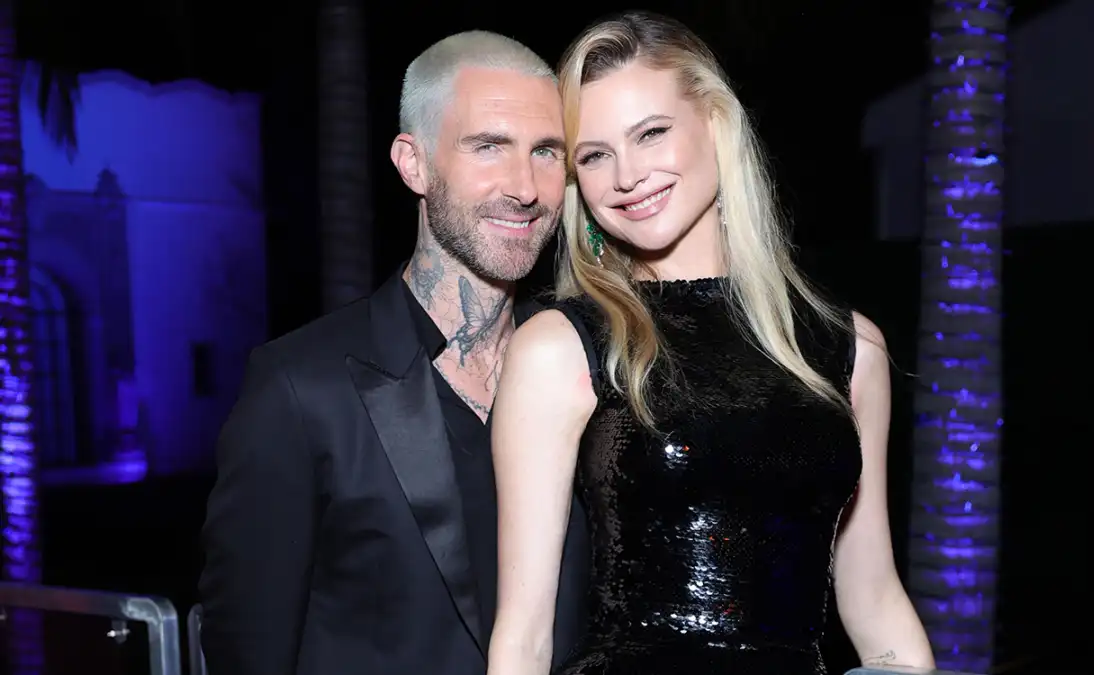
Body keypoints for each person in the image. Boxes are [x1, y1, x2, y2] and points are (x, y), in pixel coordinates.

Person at [486, 11, 937, 675]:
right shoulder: (561, 347)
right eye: (595, 155)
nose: (628, 175)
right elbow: (522, 639)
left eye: (652, 133)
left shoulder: (849, 350)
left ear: (717, 125)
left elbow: (874, 600)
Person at [198, 31, 589, 675]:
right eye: (488, 146)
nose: (525, 186)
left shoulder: (582, 373)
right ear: (413, 163)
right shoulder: (301, 388)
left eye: (547, 151)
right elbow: (249, 651)